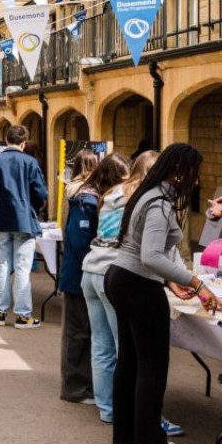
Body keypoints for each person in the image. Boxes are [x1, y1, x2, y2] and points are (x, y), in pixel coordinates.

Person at [105, 143, 221, 444]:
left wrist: (171, 280)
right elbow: (151, 256)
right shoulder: (159, 203)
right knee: (152, 368)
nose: (196, 181)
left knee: (130, 361)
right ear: (179, 172)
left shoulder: (148, 194)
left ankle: (126, 434)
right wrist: (197, 283)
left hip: (124, 280)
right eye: (194, 174)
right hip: (138, 286)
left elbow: (145, 252)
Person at [80, 151, 150, 424]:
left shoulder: (108, 196)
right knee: (125, 346)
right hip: (113, 273)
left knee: (101, 345)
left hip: (91, 270)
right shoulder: (136, 198)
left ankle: (107, 408)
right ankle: (128, 409)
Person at [58, 155, 128, 405]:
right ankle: (74, 388)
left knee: (91, 335)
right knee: (78, 334)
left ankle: (88, 386)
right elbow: (79, 242)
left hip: (87, 272)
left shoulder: (94, 199)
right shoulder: (87, 200)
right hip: (79, 275)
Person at [0, 125, 49, 329]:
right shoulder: (30, 162)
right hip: (23, 220)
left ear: (7, 140)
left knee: (1, 267)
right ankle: (23, 315)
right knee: (23, 269)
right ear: (23, 143)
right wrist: (33, 208)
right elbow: (40, 193)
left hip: (0, 219)